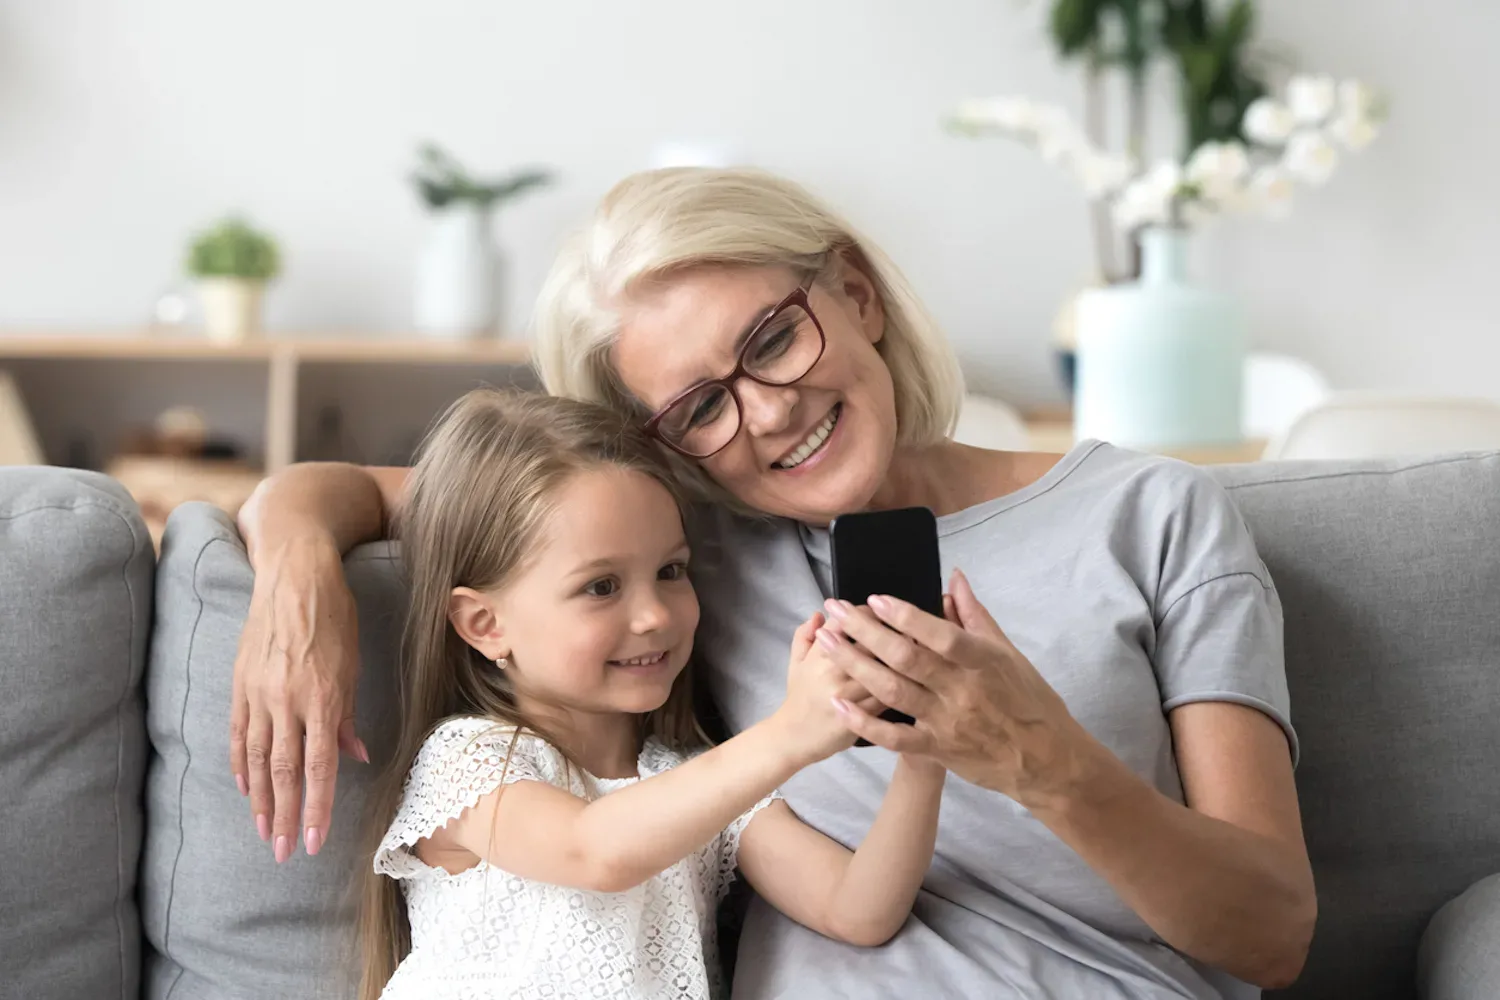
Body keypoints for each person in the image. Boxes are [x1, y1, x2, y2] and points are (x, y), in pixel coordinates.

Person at [233, 167, 1317, 999]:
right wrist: (295, 579)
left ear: (856, 293)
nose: (767, 411)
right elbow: (381, 496)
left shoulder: (1152, 515)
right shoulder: (676, 545)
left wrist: (1041, 761)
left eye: (774, 339)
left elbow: (1273, 935)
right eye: (700, 407)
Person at [358, 387, 944, 1000]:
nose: (655, 616)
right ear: (486, 625)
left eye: (671, 571)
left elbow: (857, 910)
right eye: (601, 586)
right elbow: (594, 851)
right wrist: (789, 734)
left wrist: (926, 754)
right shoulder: (468, 762)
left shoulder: (693, 782)